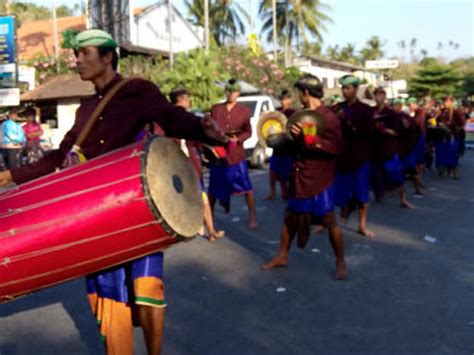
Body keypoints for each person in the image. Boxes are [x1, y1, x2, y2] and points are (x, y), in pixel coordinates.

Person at [0, 29, 226, 355]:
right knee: (108, 299)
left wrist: (202, 129)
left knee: (148, 290)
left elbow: (169, 117)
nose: (76, 61)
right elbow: (54, 159)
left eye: (84, 54)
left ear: (107, 57)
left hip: (137, 207)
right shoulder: (84, 110)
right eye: (76, 55)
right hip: (95, 214)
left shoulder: (137, 90)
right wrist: (8, 176)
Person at [262, 74, 347, 280]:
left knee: (329, 221)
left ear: (306, 93)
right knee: (289, 218)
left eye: (300, 92)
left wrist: (311, 139)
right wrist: (280, 140)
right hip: (299, 176)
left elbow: (337, 147)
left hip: (320, 178)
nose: (299, 96)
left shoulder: (328, 117)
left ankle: (341, 263)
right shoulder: (301, 115)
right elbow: (294, 143)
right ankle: (282, 256)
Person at [169, 87, 225, 242]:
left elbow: (197, 140)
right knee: (185, 199)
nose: (189, 101)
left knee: (202, 197)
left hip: (191, 165)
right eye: (187, 98)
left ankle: (211, 231)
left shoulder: (189, 118)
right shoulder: (169, 120)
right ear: (181, 99)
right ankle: (194, 227)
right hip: (176, 166)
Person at [208, 79, 258, 229]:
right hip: (219, 155)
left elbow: (248, 131)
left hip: (236, 155)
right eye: (228, 91)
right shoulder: (216, 109)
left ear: (238, 93)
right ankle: (208, 219)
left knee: (246, 187)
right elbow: (209, 128)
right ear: (226, 92)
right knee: (213, 188)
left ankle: (252, 216)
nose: (231, 94)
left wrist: (239, 139)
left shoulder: (244, 111)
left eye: (234, 91)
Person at [332, 75, 375, 238]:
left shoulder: (365, 110)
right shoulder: (337, 108)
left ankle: (362, 225)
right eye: (343, 88)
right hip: (342, 156)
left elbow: (369, 133)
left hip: (360, 157)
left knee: (362, 194)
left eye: (348, 88)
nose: (345, 91)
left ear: (356, 90)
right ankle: (328, 222)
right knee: (337, 191)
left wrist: (350, 124)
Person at [372, 89, 414, 208]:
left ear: (384, 97)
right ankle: (378, 194)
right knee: (376, 174)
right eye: (376, 95)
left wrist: (383, 129)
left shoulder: (391, 114)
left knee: (396, 173)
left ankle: (403, 199)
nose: (378, 97)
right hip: (376, 147)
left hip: (389, 148)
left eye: (381, 95)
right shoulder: (372, 111)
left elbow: (397, 132)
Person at [265, 89, 295, 200]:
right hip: (277, 146)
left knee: (288, 173)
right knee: (273, 171)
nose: (284, 102)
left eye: (286, 99)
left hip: (289, 147)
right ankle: (272, 193)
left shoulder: (293, 113)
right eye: (282, 99)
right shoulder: (276, 112)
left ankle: (286, 191)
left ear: (290, 100)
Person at [392, 98, 422, 201]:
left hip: (407, 148)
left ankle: (418, 189)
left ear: (401, 106)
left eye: (397, 105)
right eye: (394, 105)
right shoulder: (391, 118)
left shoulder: (407, 118)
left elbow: (415, 130)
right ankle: (401, 195)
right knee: (398, 172)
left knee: (412, 172)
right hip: (396, 148)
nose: (396, 107)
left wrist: (408, 127)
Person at [435, 95, 465, 179]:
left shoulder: (456, 112)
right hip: (441, 135)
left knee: (452, 155)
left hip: (452, 136)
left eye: (448, 101)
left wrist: (452, 126)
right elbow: (436, 120)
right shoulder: (441, 111)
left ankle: (454, 173)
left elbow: (461, 124)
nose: (445, 103)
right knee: (441, 155)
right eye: (445, 101)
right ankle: (441, 171)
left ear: (452, 102)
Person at [407, 97, 427, 190]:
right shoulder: (408, 113)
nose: (411, 106)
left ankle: (419, 179)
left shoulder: (420, 112)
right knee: (414, 160)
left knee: (419, 160)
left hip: (419, 137)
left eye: (413, 104)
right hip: (412, 138)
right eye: (410, 104)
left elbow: (418, 123)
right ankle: (416, 178)